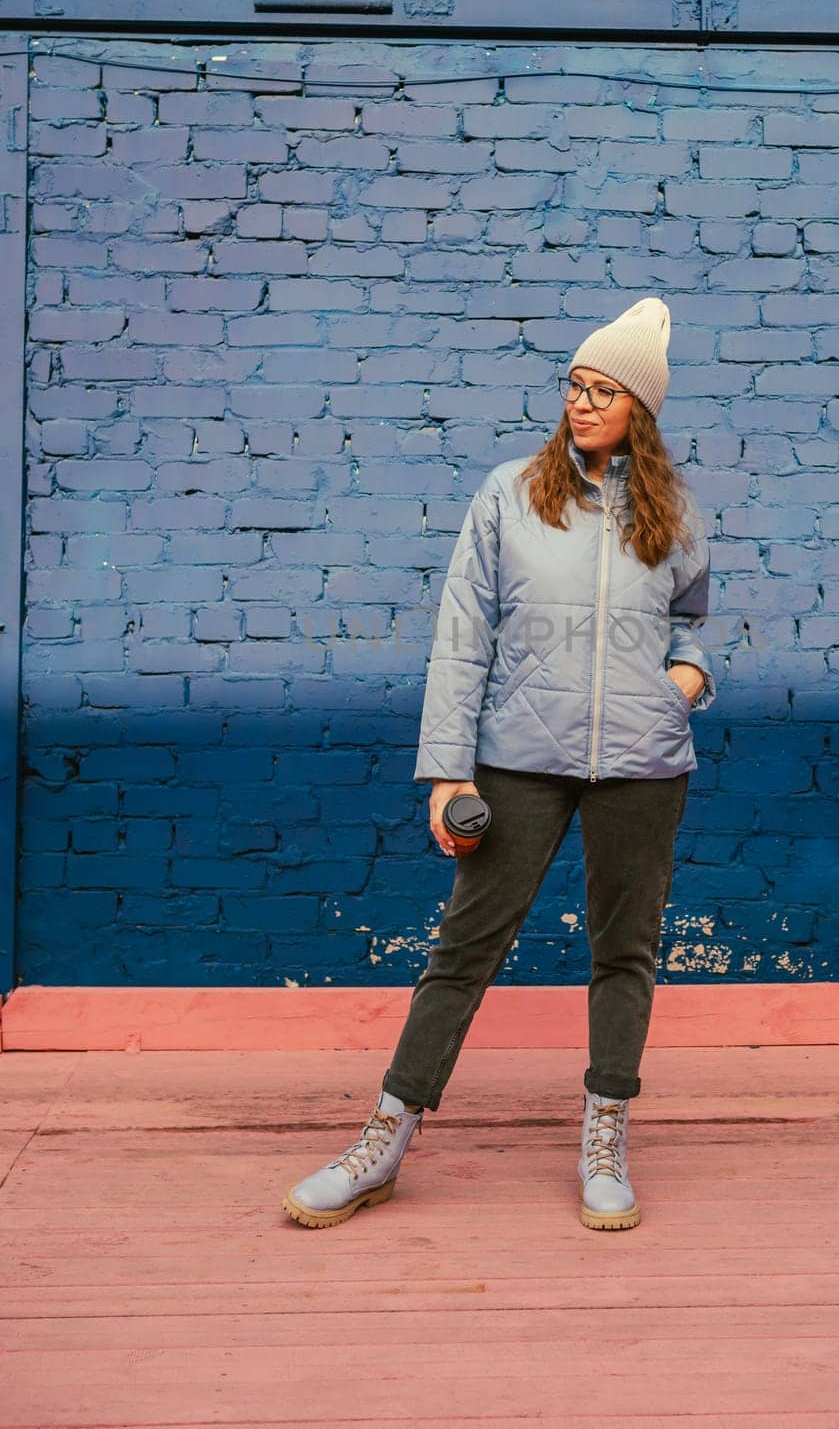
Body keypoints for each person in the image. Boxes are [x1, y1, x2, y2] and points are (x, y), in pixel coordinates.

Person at [281, 296, 716, 1232]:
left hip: (645, 764)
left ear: (641, 407)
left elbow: (693, 621)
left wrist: (683, 678)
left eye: (605, 390)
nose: (583, 403)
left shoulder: (674, 513)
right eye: (575, 385)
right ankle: (383, 1140)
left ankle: (605, 1134)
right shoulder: (510, 493)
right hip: (519, 757)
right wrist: (449, 771)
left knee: (625, 951)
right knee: (463, 952)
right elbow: (460, 637)